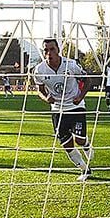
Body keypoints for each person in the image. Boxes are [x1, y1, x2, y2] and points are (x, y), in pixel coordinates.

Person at [33, 38, 94, 181]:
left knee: (78, 140)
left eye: (52, 49)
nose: (49, 53)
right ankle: (85, 169)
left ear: (58, 50)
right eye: (46, 50)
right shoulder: (39, 70)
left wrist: (80, 96)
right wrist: (46, 98)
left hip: (75, 107)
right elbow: (39, 89)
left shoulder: (71, 65)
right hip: (57, 110)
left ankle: (86, 144)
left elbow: (87, 80)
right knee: (66, 144)